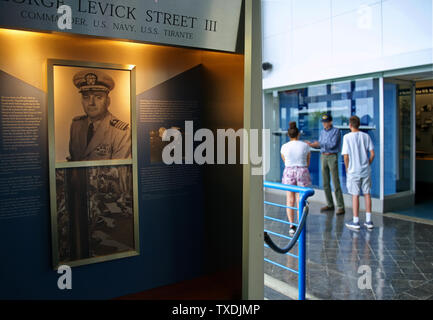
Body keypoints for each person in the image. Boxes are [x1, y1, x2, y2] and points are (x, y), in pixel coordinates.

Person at [68, 70, 131, 161]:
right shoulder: (76, 126)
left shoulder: (121, 132)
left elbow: (119, 172)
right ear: (81, 100)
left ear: (108, 101)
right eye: (86, 97)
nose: (91, 103)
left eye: (98, 97)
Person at [306, 114, 345, 215]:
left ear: (330, 122)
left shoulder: (336, 131)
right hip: (323, 156)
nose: (324, 124)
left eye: (326, 122)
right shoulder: (322, 132)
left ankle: (340, 206)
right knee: (325, 183)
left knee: (335, 182)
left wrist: (319, 143)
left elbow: (332, 145)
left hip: (332, 156)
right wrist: (312, 144)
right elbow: (320, 145)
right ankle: (330, 204)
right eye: (323, 122)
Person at [341, 115, 375, 230]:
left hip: (353, 171)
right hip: (366, 170)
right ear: (359, 124)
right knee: (367, 194)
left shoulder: (347, 137)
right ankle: (369, 221)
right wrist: (367, 163)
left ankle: (356, 221)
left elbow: (346, 156)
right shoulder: (366, 136)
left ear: (350, 125)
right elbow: (372, 154)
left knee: (355, 195)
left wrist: (347, 168)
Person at [281, 122, 311, 237]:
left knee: (290, 199)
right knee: (300, 199)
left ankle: (291, 226)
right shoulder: (305, 146)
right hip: (302, 170)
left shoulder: (284, 146)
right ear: (298, 134)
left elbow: (285, 161)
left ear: (289, 135)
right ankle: (300, 225)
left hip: (289, 170)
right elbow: (307, 162)